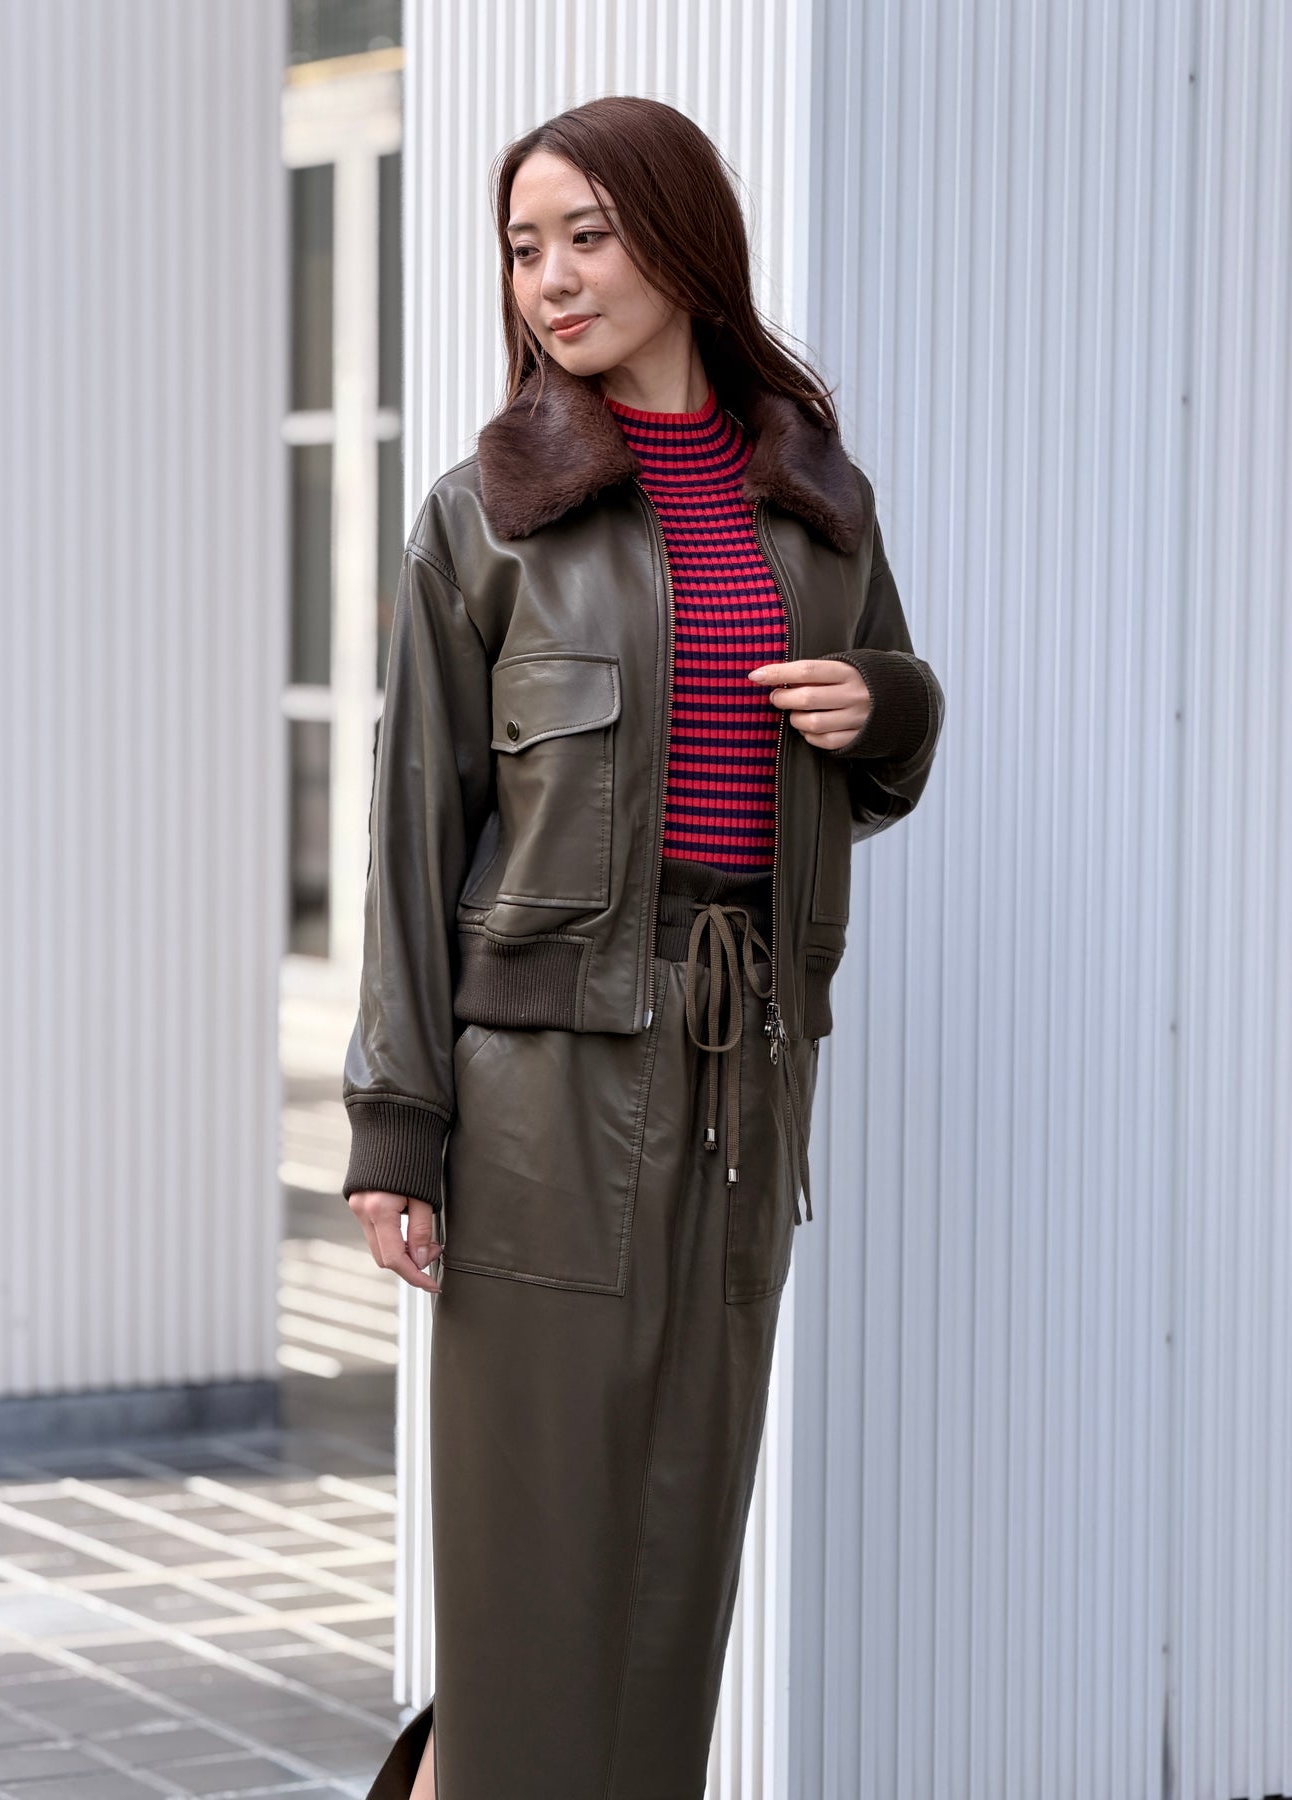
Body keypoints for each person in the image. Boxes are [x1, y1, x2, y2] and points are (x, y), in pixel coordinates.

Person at [342, 93, 944, 1800]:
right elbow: (412, 823)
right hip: (542, 1086)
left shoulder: (816, 503)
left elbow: (879, 742)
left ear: (683, 244)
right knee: (538, 1552)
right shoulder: (483, 518)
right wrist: (397, 1123)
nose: (548, 277)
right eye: (522, 247)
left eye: (586, 236)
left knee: (680, 1537)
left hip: (747, 1076)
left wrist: (887, 704)